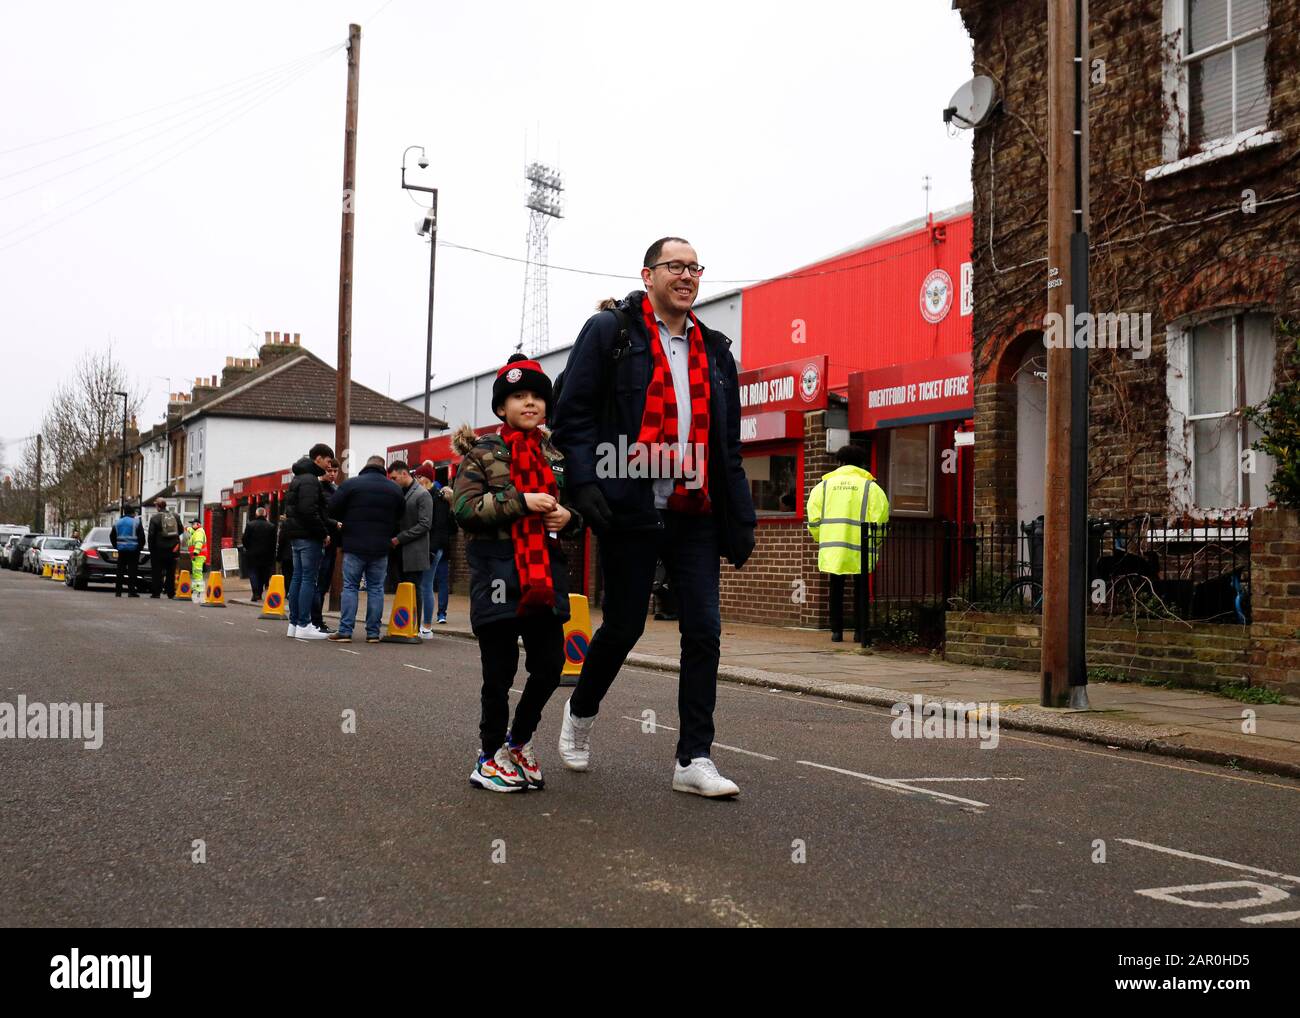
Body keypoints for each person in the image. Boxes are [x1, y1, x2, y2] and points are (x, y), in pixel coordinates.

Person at [551, 237, 756, 798]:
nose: (687, 276)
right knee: (624, 624)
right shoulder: (612, 334)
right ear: (648, 275)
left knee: (705, 629)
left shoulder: (715, 351)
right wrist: (586, 482)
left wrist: (740, 518)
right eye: (676, 266)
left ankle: (693, 758)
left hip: (694, 509)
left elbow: (727, 446)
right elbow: (573, 416)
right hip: (631, 504)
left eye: (695, 268)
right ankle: (581, 710)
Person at [452, 354, 584, 791]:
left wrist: (569, 517)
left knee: (548, 666)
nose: (530, 403)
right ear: (500, 408)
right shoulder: (483, 453)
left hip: (544, 577)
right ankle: (488, 756)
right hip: (496, 575)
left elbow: (580, 509)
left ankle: (520, 740)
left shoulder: (556, 454)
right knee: (500, 670)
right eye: (518, 396)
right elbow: (465, 510)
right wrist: (521, 502)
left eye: (536, 397)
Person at [807, 444, 891, 643]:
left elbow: (813, 517)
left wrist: (822, 537)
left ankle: (836, 631)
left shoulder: (823, 487)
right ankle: (860, 632)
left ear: (840, 462)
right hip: (861, 547)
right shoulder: (871, 488)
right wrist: (875, 542)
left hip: (833, 546)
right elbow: (880, 518)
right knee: (861, 590)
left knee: (835, 589)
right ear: (862, 464)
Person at [327, 455, 405, 644]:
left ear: (366, 466)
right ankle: (373, 633)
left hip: (354, 544)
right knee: (376, 588)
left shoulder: (351, 485)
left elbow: (332, 508)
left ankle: (345, 631)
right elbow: (400, 515)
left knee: (350, 587)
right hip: (381, 547)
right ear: (383, 469)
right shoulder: (394, 489)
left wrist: (346, 522)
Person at [280, 443, 338, 640]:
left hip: (296, 536)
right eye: (328, 461)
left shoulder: (298, 478)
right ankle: (304, 624)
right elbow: (309, 511)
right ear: (319, 458)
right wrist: (323, 533)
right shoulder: (310, 481)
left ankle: (294, 623)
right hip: (308, 536)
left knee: (297, 578)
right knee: (308, 579)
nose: (329, 466)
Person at [386, 459, 433, 627]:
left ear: (404, 474)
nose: (392, 481)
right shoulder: (400, 493)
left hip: (414, 551)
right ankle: (404, 625)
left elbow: (425, 524)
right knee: (403, 589)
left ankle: (415, 625)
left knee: (415, 589)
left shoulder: (422, 494)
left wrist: (400, 538)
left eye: (394, 478)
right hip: (399, 551)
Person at [310, 457, 341, 633]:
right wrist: (334, 524)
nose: (332, 474)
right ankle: (315, 621)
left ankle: (316, 620)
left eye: (335, 471)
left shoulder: (336, 489)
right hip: (322, 539)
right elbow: (320, 514)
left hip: (333, 541)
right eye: (329, 470)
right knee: (318, 584)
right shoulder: (317, 488)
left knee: (323, 584)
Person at [239, 505, 277, 602]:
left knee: (253, 572)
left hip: (252, 554)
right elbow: (273, 543)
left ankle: (255, 592)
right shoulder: (271, 526)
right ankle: (259, 593)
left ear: (256, 514)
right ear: (265, 515)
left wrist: (248, 548)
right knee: (263, 574)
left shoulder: (250, 525)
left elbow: (244, 539)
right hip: (266, 554)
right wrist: (272, 555)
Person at [146, 498, 182, 599]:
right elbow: (181, 530)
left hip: (158, 550)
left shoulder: (154, 518)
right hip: (173, 549)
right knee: (171, 572)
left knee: (157, 571)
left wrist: (151, 548)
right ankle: (170, 592)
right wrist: (173, 539)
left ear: (158, 506)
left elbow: (151, 535)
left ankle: (156, 592)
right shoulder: (175, 516)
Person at [110, 505, 144, 598]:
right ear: (133, 513)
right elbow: (141, 537)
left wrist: (116, 546)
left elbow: (112, 536)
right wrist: (139, 548)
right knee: (132, 572)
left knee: (120, 571)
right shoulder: (136, 522)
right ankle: (131, 591)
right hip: (133, 551)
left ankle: (118, 591)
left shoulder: (117, 523)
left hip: (121, 550)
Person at [185, 515, 208, 602]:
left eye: (193, 524)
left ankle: (199, 590)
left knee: (198, 573)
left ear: (198, 524)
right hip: (196, 556)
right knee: (195, 573)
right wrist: (187, 528)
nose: (192, 525)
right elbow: (191, 531)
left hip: (198, 555)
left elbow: (199, 543)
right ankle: (196, 589)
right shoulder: (196, 531)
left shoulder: (199, 533)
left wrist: (196, 552)